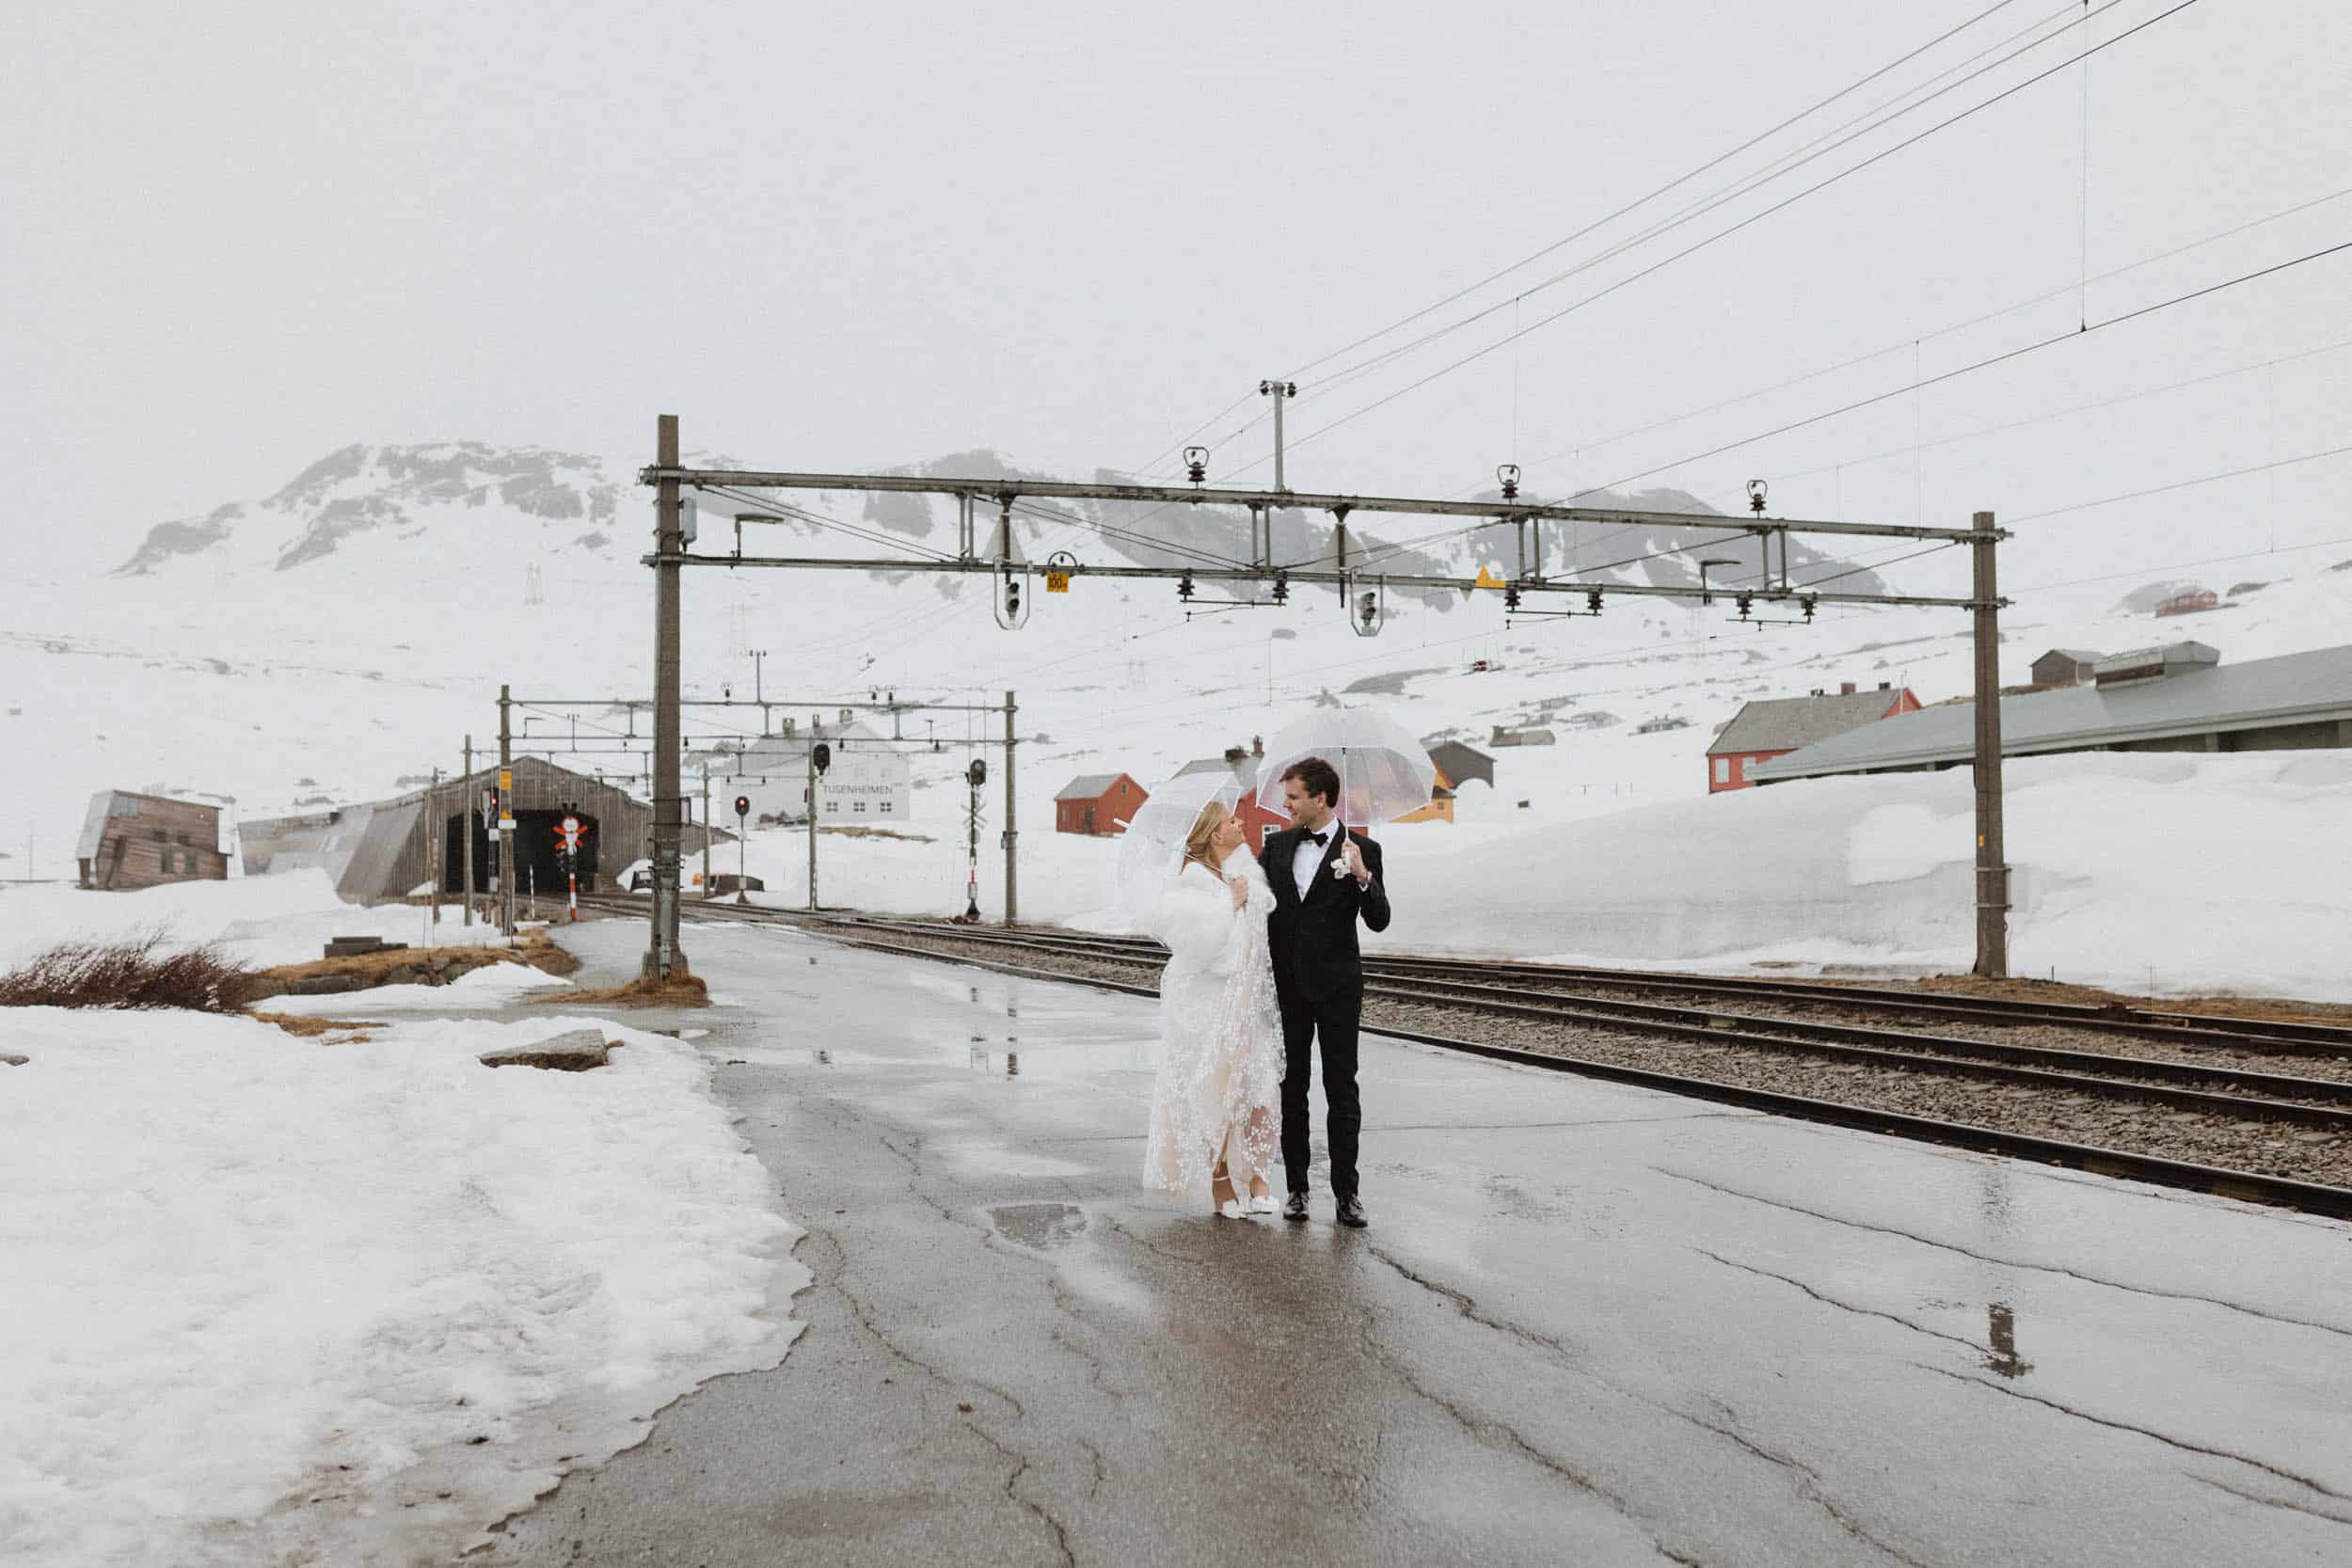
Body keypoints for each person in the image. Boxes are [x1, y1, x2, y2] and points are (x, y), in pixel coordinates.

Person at [1259, 756, 1389, 1227]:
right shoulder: (1275, 849)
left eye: (1293, 796)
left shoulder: (1363, 849)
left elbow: (1379, 919)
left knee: (1342, 1091)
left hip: (1337, 989)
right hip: (1288, 988)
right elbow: (1260, 910)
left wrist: (1361, 876)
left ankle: (1347, 1194)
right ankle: (1296, 1189)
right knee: (1292, 1088)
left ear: (1320, 798)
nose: (1286, 804)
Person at [1140, 799, 1284, 1219]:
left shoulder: (1246, 872)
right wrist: (1229, 905)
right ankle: (1221, 1181)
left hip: (1245, 1003)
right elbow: (1198, 947)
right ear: (1214, 834)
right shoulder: (1190, 884)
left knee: (1257, 1090)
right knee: (1216, 1092)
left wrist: (1247, 898)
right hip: (1205, 1003)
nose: (1241, 824)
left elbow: (1260, 933)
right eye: (1231, 821)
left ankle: (1258, 1177)